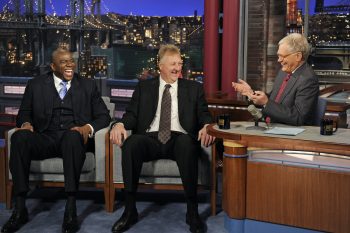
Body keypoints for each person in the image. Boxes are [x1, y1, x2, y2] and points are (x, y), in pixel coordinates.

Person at [1, 48, 111, 233]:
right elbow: (24, 114)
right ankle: (20, 208)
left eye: (71, 61)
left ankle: (71, 207)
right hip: (44, 137)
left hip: (73, 138)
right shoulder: (35, 85)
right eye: (63, 62)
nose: (69, 64)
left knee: (72, 136)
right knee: (19, 137)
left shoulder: (88, 85)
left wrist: (87, 128)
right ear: (52, 66)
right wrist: (27, 123)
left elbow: (103, 117)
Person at [109, 44, 215, 233]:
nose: (177, 68)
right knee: (132, 144)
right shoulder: (144, 87)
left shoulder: (193, 88)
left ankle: (192, 212)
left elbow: (204, 114)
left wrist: (207, 126)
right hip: (150, 138)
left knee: (186, 143)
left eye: (180, 63)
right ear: (161, 66)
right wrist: (119, 124)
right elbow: (131, 115)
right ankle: (129, 210)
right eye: (173, 64)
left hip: (179, 138)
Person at [232, 33, 319, 126]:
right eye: (278, 56)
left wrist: (266, 102)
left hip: (288, 133)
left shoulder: (308, 79)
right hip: (268, 124)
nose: (279, 60)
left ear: (298, 56)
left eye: (282, 56)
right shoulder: (284, 72)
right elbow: (273, 99)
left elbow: (298, 117)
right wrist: (251, 93)